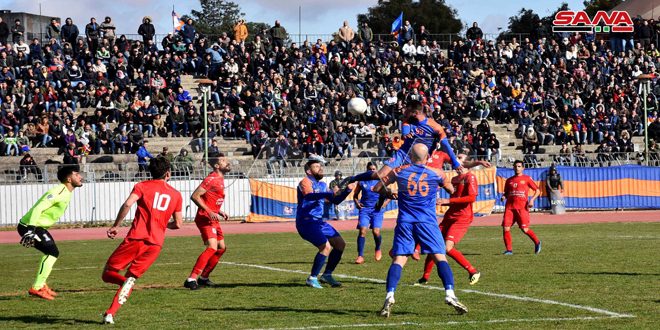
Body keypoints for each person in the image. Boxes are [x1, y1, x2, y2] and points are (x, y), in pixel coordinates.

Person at [378, 144, 468, 317]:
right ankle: (450, 294)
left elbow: (378, 187)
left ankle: (390, 295)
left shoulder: (399, 171)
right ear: (427, 157)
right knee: (440, 257)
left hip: (405, 221)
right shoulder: (437, 173)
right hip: (427, 221)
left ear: (411, 156)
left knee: (399, 260)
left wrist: (389, 192)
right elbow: (451, 190)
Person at [101, 157, 183, 324]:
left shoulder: (142, 186)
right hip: (156, 243)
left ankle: (124, 284)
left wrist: (116, 225)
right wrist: (162, 225)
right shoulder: (176, 195)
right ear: (168, 173)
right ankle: (110, 313)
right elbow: (179, 224)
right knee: (132, 278)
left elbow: (127, 204)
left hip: (136, 238)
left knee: (107, 273)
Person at [348, 100, 462, 205]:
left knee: (446, 187)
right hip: (403, 154)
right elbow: (405, 132)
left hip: (420, 160)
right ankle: (354, 178)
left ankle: (460, 201)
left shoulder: (435, 127)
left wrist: (455, 163)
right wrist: (406, 135)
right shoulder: (407, 121)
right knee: (380, 175)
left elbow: (446, 145)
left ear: (415, 112)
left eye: (407, 110)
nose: (404, 112)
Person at [17, 165, 83, 300]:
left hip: (38, 227)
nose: (80, 176)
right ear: (69, 179)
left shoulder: (66, 191)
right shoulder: (58, 191)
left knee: (52, 253)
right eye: (77, 174)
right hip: (31, 227)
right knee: (52, 253)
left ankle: (41, 284)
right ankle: (36, 287)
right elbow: (38, 209)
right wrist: (30, 230)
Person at [417, 154, 481, 286]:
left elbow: (471, 198)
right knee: (433, 244)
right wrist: (442, 202)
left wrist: (448, 200)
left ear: (466, 163)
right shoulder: (454, 178)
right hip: (449, 216)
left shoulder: (470, 177)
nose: (454, 160)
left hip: (462, 218)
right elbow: (454, 200)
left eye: (459, 158)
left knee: (447, 247)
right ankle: (425, 278)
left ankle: (473, 271)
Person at [296, 156, 354, 289]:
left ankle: (327, 275)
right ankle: (312, 278)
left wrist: (347, 191)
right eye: (316, 166)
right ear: (309, 171)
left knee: (340, 244)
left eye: (320, 166)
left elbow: (335, 200)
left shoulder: (322, 185)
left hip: (319, 222)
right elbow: (308, 195)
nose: (320, 168)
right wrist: (327, 194)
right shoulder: (305, 181)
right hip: (306, 222)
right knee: (325, 247)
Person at [184, 153, 231, 290]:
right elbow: (195, 196)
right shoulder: (211, 179)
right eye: (223, 161)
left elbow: (210, 199)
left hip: (212, 218)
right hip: (205, 218)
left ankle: (204, 277)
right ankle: (191, 279)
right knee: (212, 247)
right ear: (217, 166)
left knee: (221, 248)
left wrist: (218, 211)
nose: (226, 162)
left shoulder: (220, 179)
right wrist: (210, 211)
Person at [500, 160, 542, 255]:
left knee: (525, 229)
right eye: (515, 166)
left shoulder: (527, 178)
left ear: (523, 168)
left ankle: (537, 242)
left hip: (522, 208)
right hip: (509, 208)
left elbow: (537, 190)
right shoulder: (509, 180)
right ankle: (509, 250)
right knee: (506, 228)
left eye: (519, 166)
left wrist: (532, 200)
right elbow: (506, 193)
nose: (517, 168)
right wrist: (504, 196)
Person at [353, 162, 388, 264]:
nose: (372, 171)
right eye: (370, 169)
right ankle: (360, 256)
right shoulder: (362, 181)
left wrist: (385, 203)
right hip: (365, 210)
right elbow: (355, 195)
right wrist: (357, 203)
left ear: (377, 170)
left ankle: (378, 248)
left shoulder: (381, 180)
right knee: (363, 230)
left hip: (377, 210)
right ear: (367, 170)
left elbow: (389, 193)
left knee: (376, 232)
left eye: (374, 169)